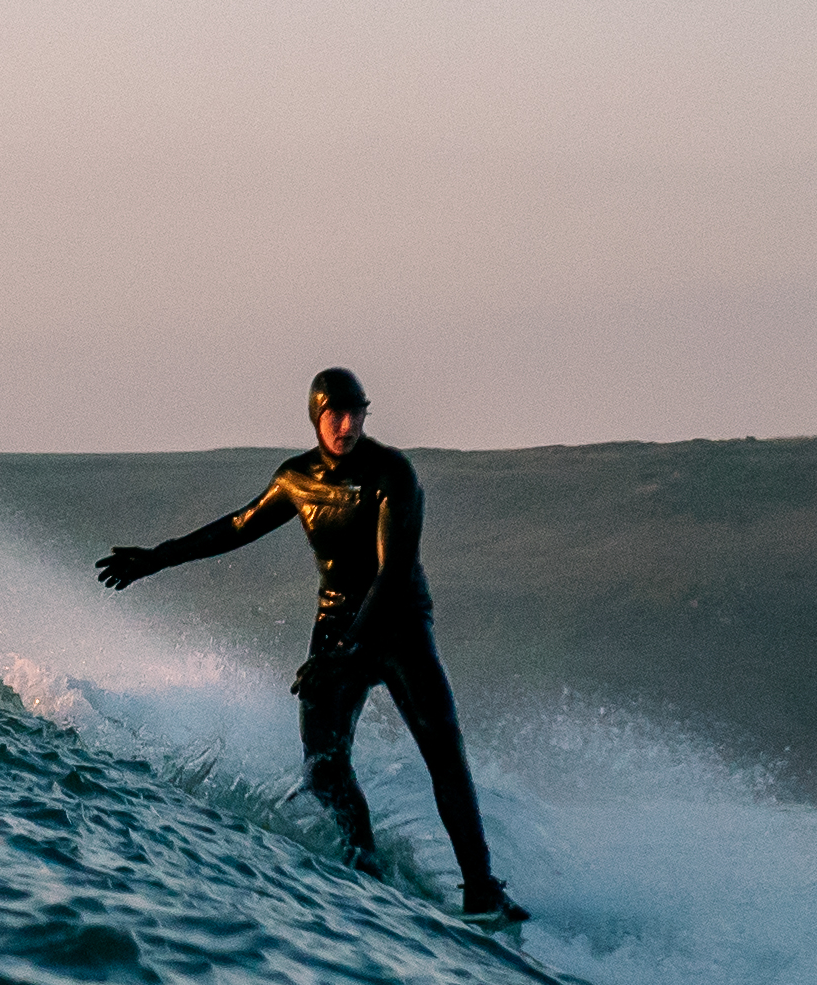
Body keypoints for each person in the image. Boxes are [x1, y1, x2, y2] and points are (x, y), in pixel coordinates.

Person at [99, 368, 523, 922]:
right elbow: (237, 526)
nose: (346, 427)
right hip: (336, 621)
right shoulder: (297, 478)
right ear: (315, 417)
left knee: (442, 748)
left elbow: (393, 572)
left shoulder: (393, 473)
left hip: (398, 623)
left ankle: (481, 889)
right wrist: (156, 557)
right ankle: (364, 864)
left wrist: (346, 649)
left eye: (356, 414)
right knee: (323, 764)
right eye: (334, 416)